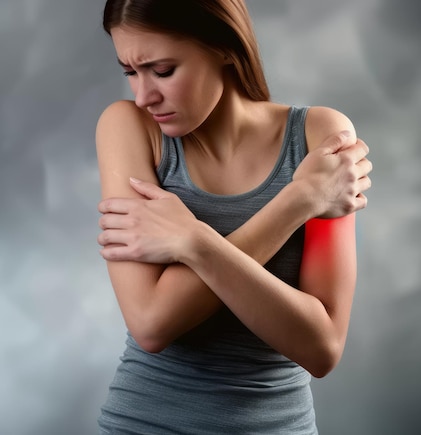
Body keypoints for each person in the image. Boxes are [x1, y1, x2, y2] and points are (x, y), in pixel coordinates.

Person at [95, 0, 372, 433]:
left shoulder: (320, 136)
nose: (143, 96)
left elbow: (322, 349)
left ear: (225, 46)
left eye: (163, 70)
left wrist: (194, 242)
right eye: (131, 72)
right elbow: (152, 323)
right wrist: (297, 201)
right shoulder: (128, 127)